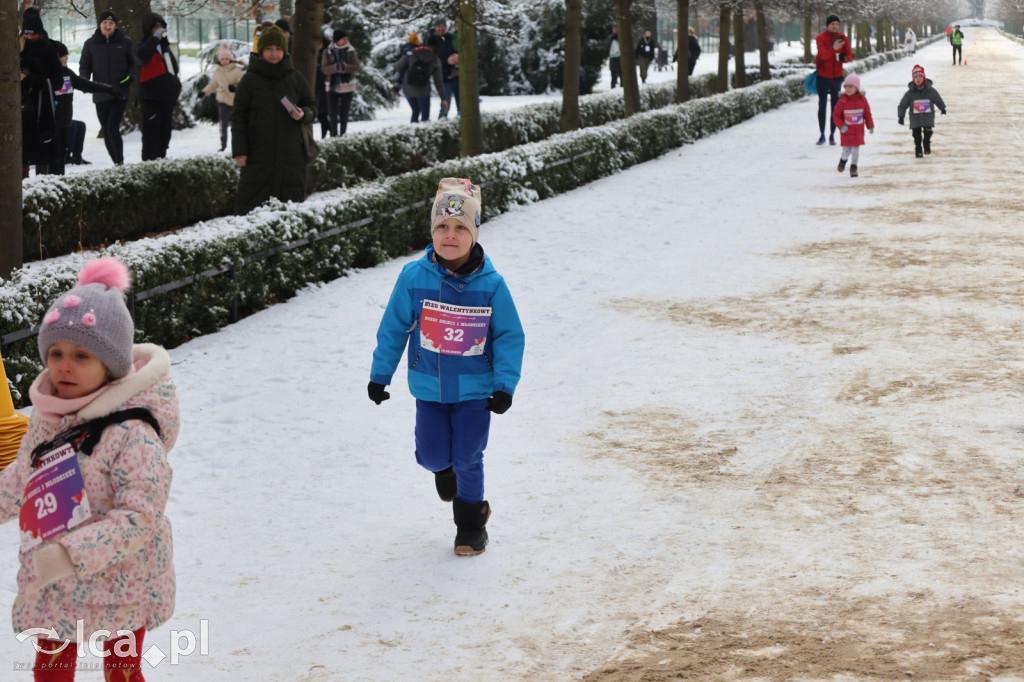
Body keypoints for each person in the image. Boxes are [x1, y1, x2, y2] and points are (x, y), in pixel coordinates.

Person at [0, 256, 179, 682]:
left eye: (82, 355)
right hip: (56, 582)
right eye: (56, 352)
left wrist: (70, 555)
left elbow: (140, 516)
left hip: (122, 580)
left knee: (120, 673)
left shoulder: (134, 432)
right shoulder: (48, 419)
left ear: (111, 365)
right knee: (51, 672)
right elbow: (23, 479)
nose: (64, 365)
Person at [368, 178, 524, 556]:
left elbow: (509, 336)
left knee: (469, 454)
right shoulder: (413, 278)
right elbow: (393, 328)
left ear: (474, 234)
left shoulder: (492, 285)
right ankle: (444, 469)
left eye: (460, 228)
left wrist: (504, 385)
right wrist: (379, 375)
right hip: (429, 387)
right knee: (432, 455)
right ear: (431, 231)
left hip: (475, 390)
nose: (449, 235)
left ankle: (471, 525)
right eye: (442, 226)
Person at [231, 25, 317, 214]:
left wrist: (304, 114)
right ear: (261, 50)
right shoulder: (249, 81)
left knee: (290, 215)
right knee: (253, 211)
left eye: (278, 49)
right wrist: (240, 151)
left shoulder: (296, 78)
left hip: (292, 157)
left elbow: (312, 106)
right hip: (258, 155)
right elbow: (238, 117)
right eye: (269, 49)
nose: (274, 53)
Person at [47, 41, 122, 174]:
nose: (67, 57)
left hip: (65, 124)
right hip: (51, 126)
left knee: (61, 161)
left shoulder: (68, 73)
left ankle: (59, 185)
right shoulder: (48, 76)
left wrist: (109, 89)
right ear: (55, 57)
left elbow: (86, 85)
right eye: (63, 55)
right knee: (52, 161)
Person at [79, 9, 134, 165]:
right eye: (105, 22)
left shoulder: (126, 42)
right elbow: (85, 65)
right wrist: (84, 81)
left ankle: (120, 162)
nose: (107, 25)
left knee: (111, 128)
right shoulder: (90, 44)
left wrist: (130, 78)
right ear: (100, 24)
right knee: (106, 130)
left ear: (115, 25)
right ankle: (116, 163)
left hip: (120, 92)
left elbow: (134, 64)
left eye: (111, 23)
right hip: (100, 93)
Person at [19, 7, 63, 179]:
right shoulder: (17, 48)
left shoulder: (49, 50)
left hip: (41, 108)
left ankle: (41, 184)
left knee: (42, 149)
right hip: (20, 107)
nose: (29, 38)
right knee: (21, 151)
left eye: (33, 34)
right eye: (26, 34)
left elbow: (58, 81)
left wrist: (33, 79)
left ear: (40, 33)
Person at [134, 12, 181, 161]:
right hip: (151, 99)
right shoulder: (140, 47)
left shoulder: (165, 48)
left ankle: (161, 162)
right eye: (156, 27)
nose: (159, 29)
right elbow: (141, 57)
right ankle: (149, 166)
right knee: (151, 136)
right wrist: (153, 40)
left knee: (164, 135)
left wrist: (175, 88)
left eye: (161, 26)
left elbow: (173, 70)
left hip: (166, 99)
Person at [814, 14, 852, 146]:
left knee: (835, 106)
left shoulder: (843, 37)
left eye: (837, 24)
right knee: (822, 105)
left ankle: (832, 134)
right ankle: (822, 134)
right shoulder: (820, 38)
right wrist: (833, 49)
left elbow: (849, 54)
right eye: (832, 24)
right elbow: (823, 54)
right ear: (827, 25)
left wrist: (845, 58)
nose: (835, 26)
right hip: (823, 77)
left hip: (837, 77)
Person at [201, 42, 244, 151]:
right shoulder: (217, 72)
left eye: (226, 59)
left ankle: (238, 145)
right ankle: (223, 144)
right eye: (222, 59)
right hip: (223, 101)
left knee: (237, 125)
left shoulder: (237, 71)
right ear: (219, 60)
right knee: (223, 124)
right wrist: (204, 92)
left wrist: (236, 88)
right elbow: (213, 85)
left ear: (231, 59)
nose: (224, 61)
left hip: (235, 101)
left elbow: (243, 85)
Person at [395, 34, 448, 123]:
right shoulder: (435, 59)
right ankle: (424, 134)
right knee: (425, 118)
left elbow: (398, 67)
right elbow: (438, 82)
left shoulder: (412, 52)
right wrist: (443, 98)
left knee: (415, 112)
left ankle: (412, 133)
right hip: (423, 91)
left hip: (408, 89)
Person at [898, 64, 947, 158]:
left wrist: (942, 108)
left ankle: (926, 142)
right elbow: (902, 105)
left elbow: (937, 99)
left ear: (924, 77)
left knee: (928, 132)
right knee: (916, 135)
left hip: (927, 116)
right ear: (913, 79)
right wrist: (901, 116)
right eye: (916, 77)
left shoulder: (930, 90)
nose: (918, 79)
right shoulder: (910, 93)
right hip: (915, 117)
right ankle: (918, 149)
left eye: (920, 76)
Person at [831, 74, 874, 178]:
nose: (848, 89)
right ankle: (843, 160)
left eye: (851, 87)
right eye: (846, 87)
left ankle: (853, 168)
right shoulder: (842, 101)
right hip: (846, 131)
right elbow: (836, 115)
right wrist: (841, 126)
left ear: (857, 88)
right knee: (846, 150)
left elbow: (867, 114)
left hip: (858, 131)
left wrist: (870, 125)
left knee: (855, 151)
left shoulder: (862, 100)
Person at [320, 29, 360, 136]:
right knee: (332, 113)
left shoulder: (351, 50)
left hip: (348, 85)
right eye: (343, 39)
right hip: (332, 86)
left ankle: (343, 134)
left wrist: (345, 67)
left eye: (346, 38)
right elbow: (324, 68)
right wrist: (336, 67)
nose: (346, 40)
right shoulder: (327, 51)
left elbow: (356, 66)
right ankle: (334, 134)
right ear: (337, 40)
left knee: (344, 113)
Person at [432, 19, 459, 119]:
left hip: (456, 75)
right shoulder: (432, 40)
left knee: (462, 105)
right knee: (445, 105)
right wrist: (447, 61)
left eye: (443, 26)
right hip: (444, 78)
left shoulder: (449, 38)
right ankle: (442, 123)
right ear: (435, 28)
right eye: (439, 26)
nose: (441, 28)